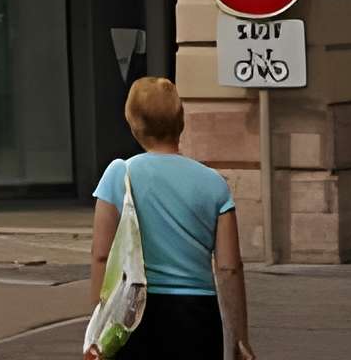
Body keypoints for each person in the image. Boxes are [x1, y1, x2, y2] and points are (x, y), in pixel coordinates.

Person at [87, 76, 253, 360]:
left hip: (133, 313)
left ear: (133, 123)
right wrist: (239, 337)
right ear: (181, 122)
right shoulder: (214, 183)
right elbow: (229, 268)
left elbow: (101, 255)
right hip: (197, 314)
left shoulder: (119, 174)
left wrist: (98, 325)